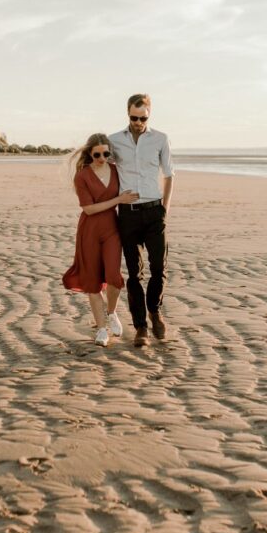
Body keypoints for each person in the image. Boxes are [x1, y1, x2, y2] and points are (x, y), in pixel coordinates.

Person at [108, 94, 174, 348]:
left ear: (149, 115)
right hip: (128, 214)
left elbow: (169, 175)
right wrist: (113, 199)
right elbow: (102, 165)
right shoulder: (114, 141)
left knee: (159, 268)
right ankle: (141, 328)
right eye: (133, 118)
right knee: (134, 273)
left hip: (154, 211)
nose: (138, 122)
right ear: (127, 113)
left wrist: (164, 208)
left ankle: (154, 311)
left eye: (142, 118)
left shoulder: (160, 139)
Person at [62, 133, 140, 346]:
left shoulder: (116, 171)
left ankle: (112, 312)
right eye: (97, 154)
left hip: (111, 229)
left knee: (114, 277)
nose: (102, 158)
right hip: (89, 231)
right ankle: (102, 329)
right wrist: (118, 199)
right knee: (93, 282)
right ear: (90, 153)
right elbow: (88, 208)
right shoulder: (82, 176)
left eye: (106, 153)